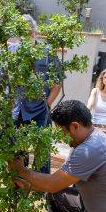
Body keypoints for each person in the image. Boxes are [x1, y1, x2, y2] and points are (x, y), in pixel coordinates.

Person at [12, 14, 62, 173]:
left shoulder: (48, 53)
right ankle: (20, 182)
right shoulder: (14, 52)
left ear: (34, 33)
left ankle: (41, 187)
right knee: (18, 147)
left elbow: (57, 83)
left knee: (42, 150)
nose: (24, 36)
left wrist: (47, 104)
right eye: (21, 33)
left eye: (27, 32)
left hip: (41, 109)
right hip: (19, 108)